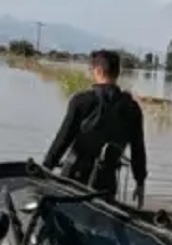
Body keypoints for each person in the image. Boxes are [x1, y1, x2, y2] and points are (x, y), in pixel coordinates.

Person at [41, 49, 147, 201]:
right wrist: (140, 182)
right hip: (106, 184)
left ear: (97, 70)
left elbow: (62, 140)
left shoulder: (81, 101)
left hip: (73, 179)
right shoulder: (132, 108)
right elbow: (138, 149)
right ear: (117, 73)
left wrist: (45, 170)